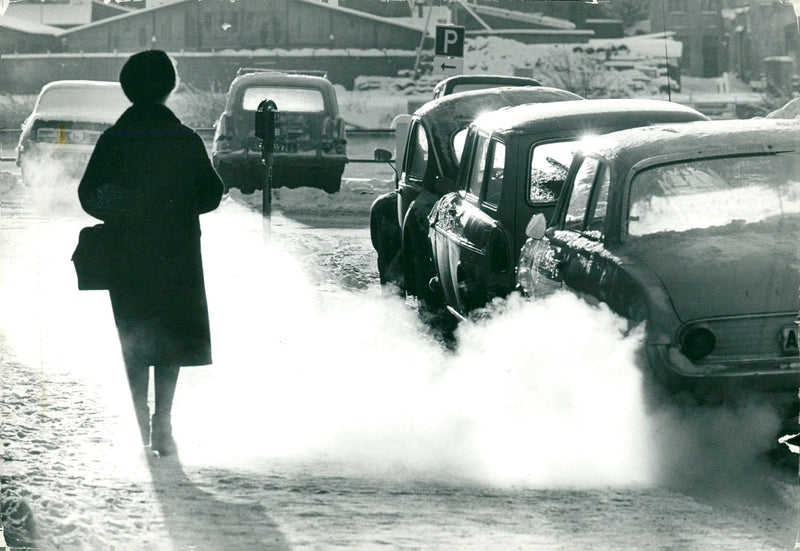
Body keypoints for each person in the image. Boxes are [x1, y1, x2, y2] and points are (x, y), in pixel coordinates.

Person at [78, 50, 224, 456]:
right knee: (170, 339)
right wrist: (175, 207)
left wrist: (126, 210)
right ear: (169, 88)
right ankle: (163, 424)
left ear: (128, 90)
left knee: (135, 336)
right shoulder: (185, 138)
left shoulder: (114, 139)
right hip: (176, 253)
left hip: (126, 254)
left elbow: (89, 195)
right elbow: (212, 193)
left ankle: (140, 422)